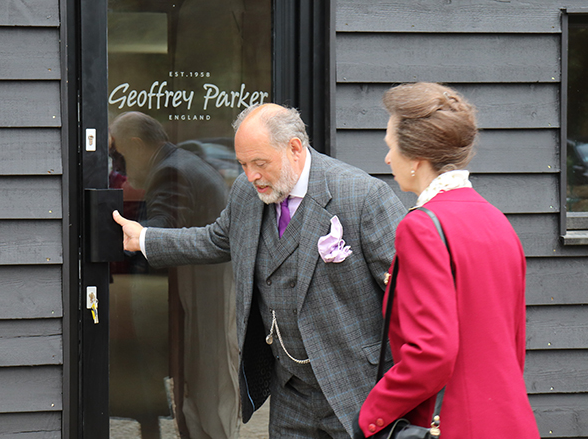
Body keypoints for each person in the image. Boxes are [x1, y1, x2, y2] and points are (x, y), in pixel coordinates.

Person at [114, 103, 407, 437]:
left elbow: (408, 295)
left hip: (356, 385)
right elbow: (216, 239)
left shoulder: (362, 196)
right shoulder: (246, 193)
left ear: (295, 148)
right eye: (243, 164)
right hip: (290, 391)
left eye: (260, 163)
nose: (251, 175)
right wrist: (147, 238)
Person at [352, 83, 540, 438]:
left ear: (416, 159)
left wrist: (371, 415)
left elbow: (432, 353)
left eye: (390, 146)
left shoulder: (421, 227)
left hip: (457, 425)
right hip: (510, 421)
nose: (388, 158)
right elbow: (513, 346)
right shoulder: (497, 220)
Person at [109, 112, 239, 439]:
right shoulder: (181, 161)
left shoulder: (170, 171)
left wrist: (120, 237)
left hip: (200, 295)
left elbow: (165, 229)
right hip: (206, 288)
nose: (118, 165)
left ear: (136, 145)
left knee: (200, 389)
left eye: (119, 154)